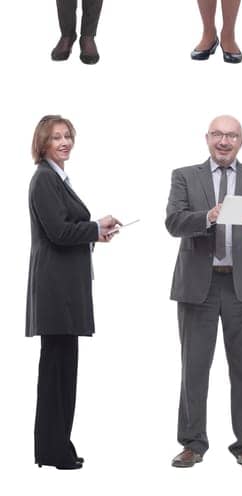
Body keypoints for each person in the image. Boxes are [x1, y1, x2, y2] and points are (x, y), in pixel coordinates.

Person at [165, 115, 242, 471]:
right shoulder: (185, 176)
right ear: (207, 138)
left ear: (241, 141)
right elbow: (173, 222)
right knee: (194, 367)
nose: (224, 140)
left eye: (231, 135)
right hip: (198, 284)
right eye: (218, 134)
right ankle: (192, 443)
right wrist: (207, 216)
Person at [27, 114, 120, 469]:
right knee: (56, 373)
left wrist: (97, 229)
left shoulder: (57, 179)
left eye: (67, 136)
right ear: (42, 143)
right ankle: (53, 451)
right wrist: (94, 228)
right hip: (56, 291)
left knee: (63, 371)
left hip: (65, 288)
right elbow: (58, 232)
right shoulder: (44, 179)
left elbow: (68, 228)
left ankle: (56, 447)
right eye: (56, 137)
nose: (64, 142)